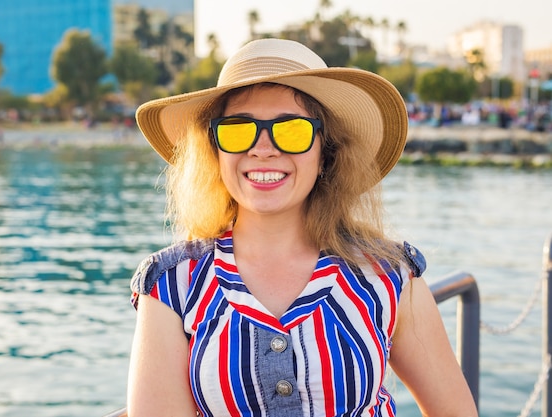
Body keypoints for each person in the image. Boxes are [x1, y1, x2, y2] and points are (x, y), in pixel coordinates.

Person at [127, 38, 477, 417]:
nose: (263, 148)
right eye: (237, 130)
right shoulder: (171, 285)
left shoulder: (388, 274)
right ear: (215, 151)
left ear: (326, 151)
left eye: (291, 130)